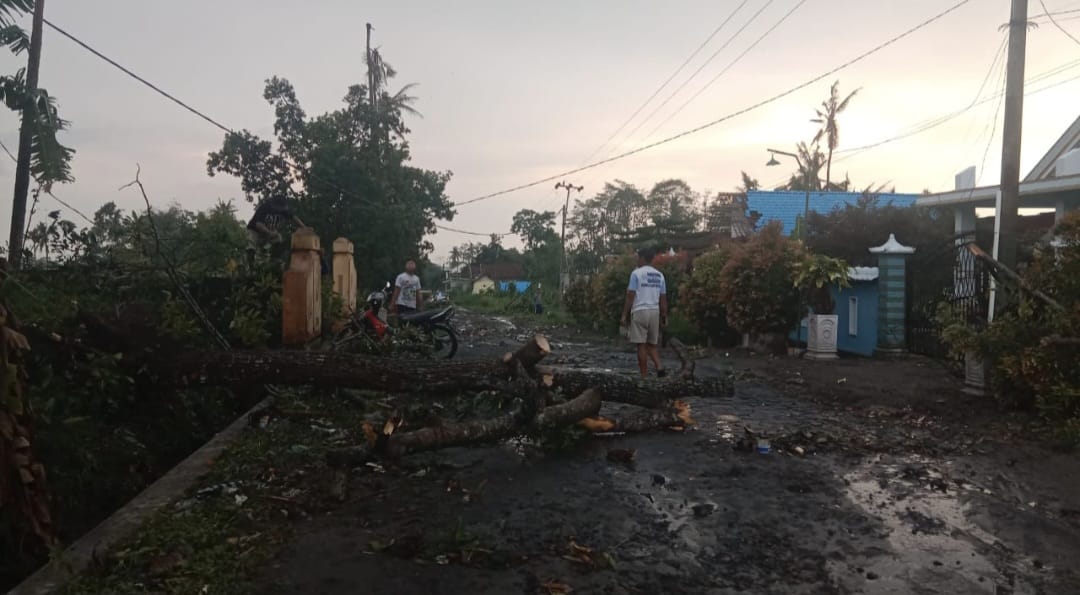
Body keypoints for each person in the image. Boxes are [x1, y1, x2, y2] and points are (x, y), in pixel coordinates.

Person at [620, 248, 668, 378]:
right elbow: (663, 298)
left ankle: (644, 376)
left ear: (642, 258)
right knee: (651, 344)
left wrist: (624, 315)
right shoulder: (660, 275)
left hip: (640, 310)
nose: (636, 260)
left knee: (641, 344)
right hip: (654, 311)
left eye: (638, 257)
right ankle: (659, 366)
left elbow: (630, 295)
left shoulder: (636, 274)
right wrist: (664, 316)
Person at [246, 196, 304, 265]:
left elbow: (294, 217)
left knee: (278, 239)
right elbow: (259, 224)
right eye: (282, 208)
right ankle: (250, 264)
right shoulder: (264, 207)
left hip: (270, 231)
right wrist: (270, 233)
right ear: (276, 206)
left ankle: (274, 260)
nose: (283, 210)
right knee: (251, 243)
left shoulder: (284, 210)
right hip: (255, 229)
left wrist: (304, 227)